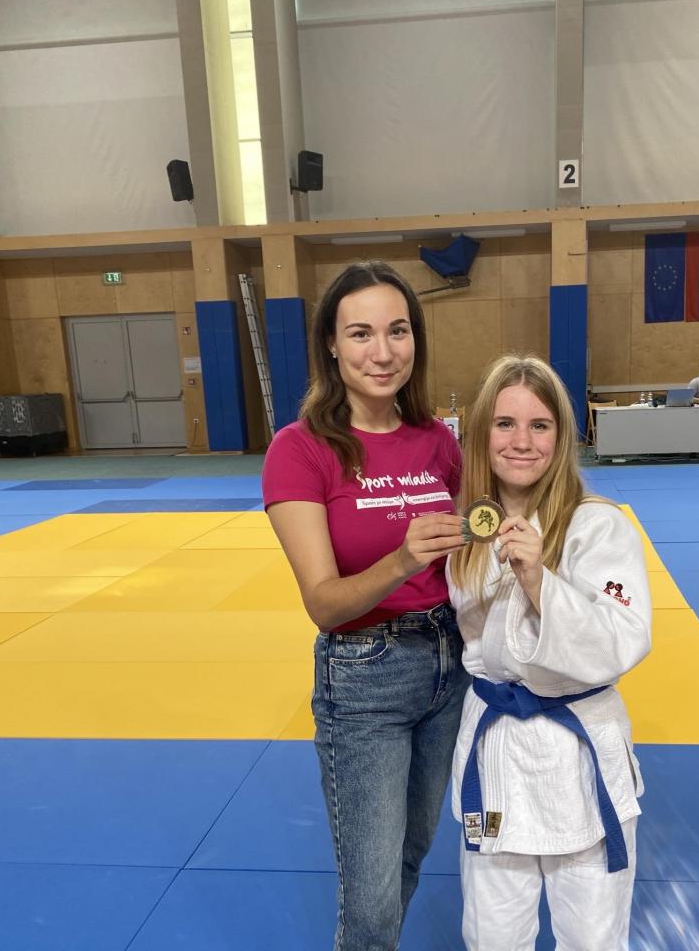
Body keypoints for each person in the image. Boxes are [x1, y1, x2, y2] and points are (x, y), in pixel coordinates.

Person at [262, 261, 470, 951]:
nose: (383, 352)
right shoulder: (300, 450)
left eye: (398, 331)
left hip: (450, 663)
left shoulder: (437, 440)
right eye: (361, 334)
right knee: (371, 894)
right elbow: (324, 604)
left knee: (411, 855)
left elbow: (468, 544)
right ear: (330, 343)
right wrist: (403, 559)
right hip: (364, 674)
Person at [447, 355, 652, 951]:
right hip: (495, 752)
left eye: (539, 425)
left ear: (561, 437)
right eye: (504, 424)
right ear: (481, 432)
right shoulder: (466, 531)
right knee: (491, 933)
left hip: (577, 754)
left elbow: (623, 637)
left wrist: (539, 580)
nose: (521, 441)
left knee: (593, 936)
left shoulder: (597, 527)